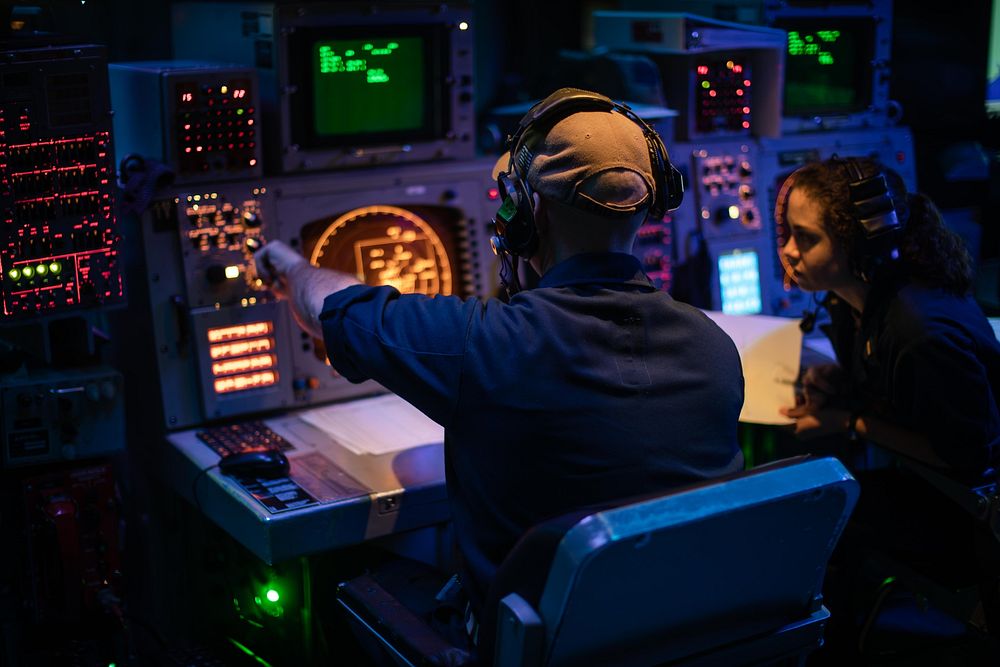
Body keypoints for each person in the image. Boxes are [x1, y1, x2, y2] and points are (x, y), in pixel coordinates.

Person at [254, 87, 745, 652]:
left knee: (344, 581)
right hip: (678, 644)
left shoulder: (484, 346)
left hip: (529, 648)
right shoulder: (716, 348)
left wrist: (289, 265)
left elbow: (335, 310)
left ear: (528, 213)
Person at [776, 156, 1000, 659]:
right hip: (930, 483)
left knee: (825, 513)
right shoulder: (856, 297)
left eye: (805, 238)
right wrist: (842, 380)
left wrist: (848, 420)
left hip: (971, 516)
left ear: (859, 246)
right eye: (789, 232)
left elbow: (966, 457)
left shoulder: (919, 331)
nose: (788, 251)